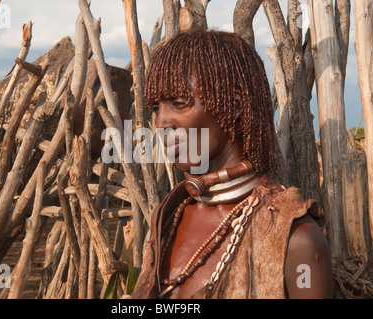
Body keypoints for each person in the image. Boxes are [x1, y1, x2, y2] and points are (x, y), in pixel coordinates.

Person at [131, 30, 333, 299]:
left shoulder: (296, 239)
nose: (161, 123)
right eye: (156, 107)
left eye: (179, 103)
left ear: (234, 105)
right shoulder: (167, 218)